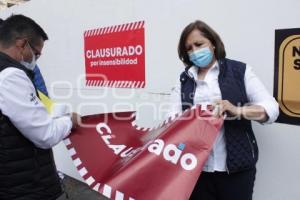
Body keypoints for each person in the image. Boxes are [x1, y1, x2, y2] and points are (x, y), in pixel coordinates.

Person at [168, 20, 279, 200]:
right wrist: (190, 120)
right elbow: (172, 119)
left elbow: (271, 109)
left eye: (199, 44)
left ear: (212, 43)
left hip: (236, 171)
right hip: (196, 170)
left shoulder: (239, 71)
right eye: (189, 48)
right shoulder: (184, 79)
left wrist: (237, 110)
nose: (195, 51)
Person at [0, 15, 78, 200]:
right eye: (36, 53)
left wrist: (59, 112)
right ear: (21, 44)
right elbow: (45, 135)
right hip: (28, 186)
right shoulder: (11, 75)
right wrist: (70, 121)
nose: (36, 59)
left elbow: (22, 114)